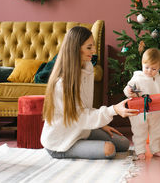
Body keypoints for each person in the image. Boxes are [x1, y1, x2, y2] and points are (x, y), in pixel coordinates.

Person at [41, 26, 139, 159]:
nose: (93, 51)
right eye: (89, 47)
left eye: (92, 46)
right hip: (61, 143)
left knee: (123, 143)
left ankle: (87, 143)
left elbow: (85, 108)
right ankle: (78, 148)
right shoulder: (62, 83)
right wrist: (114, 110)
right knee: (109, 150)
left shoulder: (87, 69)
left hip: (81, 129)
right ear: (75, 49)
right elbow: (79, 117)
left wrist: (100, 125)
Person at [124, 48, 160, 160]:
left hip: (156, 112)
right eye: (147, 67)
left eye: (153, 69)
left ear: (159, 68)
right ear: (142, 64)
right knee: (140, 132)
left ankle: (156, 149)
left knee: (157, 131)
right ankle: (139, 151)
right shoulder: (137, 78)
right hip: (139, 113)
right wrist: (129, 91)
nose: (149, 71)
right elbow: (128, 89)